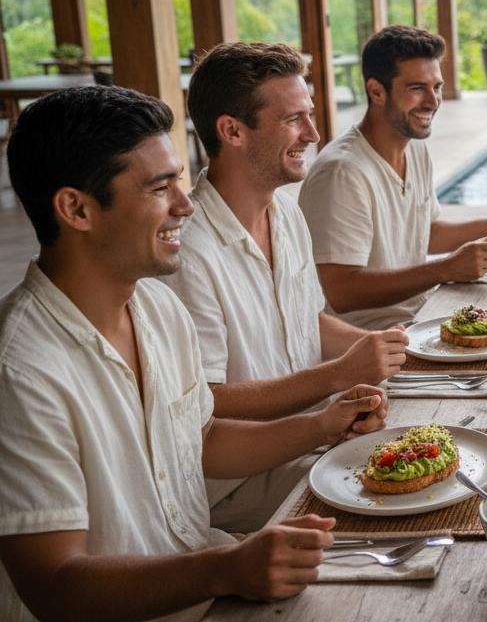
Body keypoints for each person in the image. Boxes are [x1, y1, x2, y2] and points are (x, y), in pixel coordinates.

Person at [0, 86, 389, 621]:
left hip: (205, 581)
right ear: (76, 209)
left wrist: (325, 426)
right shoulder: (21, 368)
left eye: (179, 182)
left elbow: (200, 443)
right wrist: (224, 568)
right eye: (161, 188)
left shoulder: (157, 308)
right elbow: (54, 582)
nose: (186, 205)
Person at [163, 42, 409, 532]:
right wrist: (337, 376)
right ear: (231, 130)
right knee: (413, 502)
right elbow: (208, 400)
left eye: (311, 116)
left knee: (436, 447)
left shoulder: (286, 211)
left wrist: (385, 350)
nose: (314, 134)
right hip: (237, 487)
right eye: (294, 119)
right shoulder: (188, 255)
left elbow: (309, 320)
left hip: (313, 437)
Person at [299, 25, 487, 329]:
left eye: (436, 87)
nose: (433, 101)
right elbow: (342, 291)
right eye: (417, 88)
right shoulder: (342, 172)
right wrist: (444, 269)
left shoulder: (415, 150)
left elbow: (426, 232)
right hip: (374, 339)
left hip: (424, 316)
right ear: (376, 91)